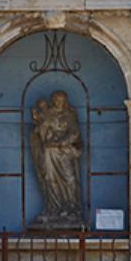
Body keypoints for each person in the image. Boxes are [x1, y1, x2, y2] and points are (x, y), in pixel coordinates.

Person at [30, 91, 82, 227]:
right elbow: (39, 129)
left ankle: (71, 207)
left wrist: (61, 142)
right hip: (48, 152)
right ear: (53, 100)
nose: (59, 102)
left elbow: (75, 133)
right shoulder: (47, 114)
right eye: (56, 99)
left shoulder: (69, 115)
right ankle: (54, 208)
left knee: (69, 179)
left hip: (64, 152)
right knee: (49, 178)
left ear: (65, 101)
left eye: (61, 100)